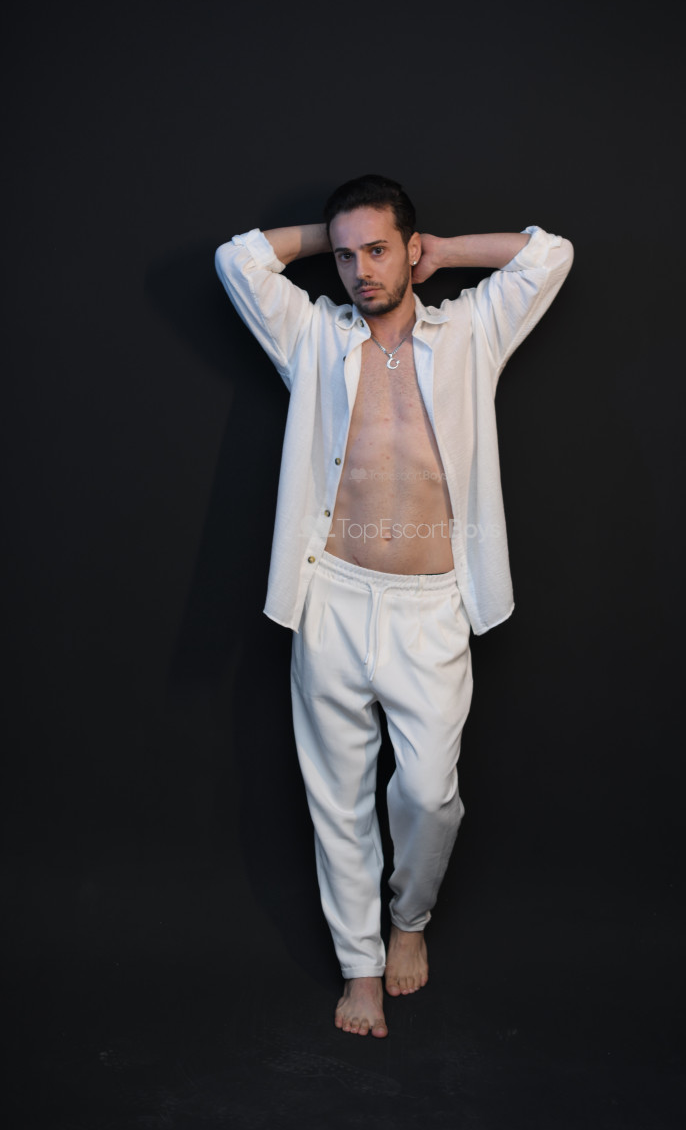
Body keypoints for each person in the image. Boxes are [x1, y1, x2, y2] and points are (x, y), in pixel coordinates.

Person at [215, 175, 573, 1037]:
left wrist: (439, 252)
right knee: (337, 799)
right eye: (346, 256)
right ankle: (361, 967)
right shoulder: (313, 336)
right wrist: (333, 232)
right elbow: (239, 261)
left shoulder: (470, 333)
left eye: (377, 250)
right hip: (333, 598)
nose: (360, 271)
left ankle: (409, 918)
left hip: (431, 606)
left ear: (410, 249)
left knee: (428, 794)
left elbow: (549, 255)